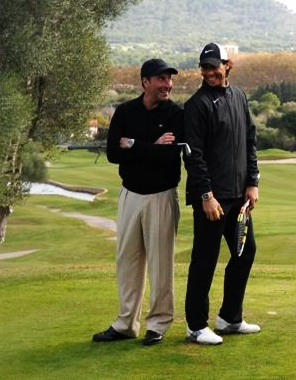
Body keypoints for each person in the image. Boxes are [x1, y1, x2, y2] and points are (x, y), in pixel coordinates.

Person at [92, 58, 184, 346]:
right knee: (127, 261)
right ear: (145, 81)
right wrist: (151, 147)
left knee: (160, 264)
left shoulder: (175, 115)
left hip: (161, 196)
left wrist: (133, 144)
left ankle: (157, 324)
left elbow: (169, 156)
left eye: (169, 79)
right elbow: (112, 153)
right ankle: (125, 324)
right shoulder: (125, 111)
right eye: (161, 79)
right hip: (130, 194)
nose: (167, 84)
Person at [183, 43, 261, 345]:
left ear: (227, 66)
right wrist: (206, 195)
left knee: (245, 251)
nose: (208, 72)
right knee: (205, 258)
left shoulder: (239, 97)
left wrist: (252, 183)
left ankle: (230, 317)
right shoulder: (197, 105)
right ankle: (196, 325)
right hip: (212, 200)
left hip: (239, 196)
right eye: (204, 67)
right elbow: (194, 156)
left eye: (214, 66)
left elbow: (249, 142)